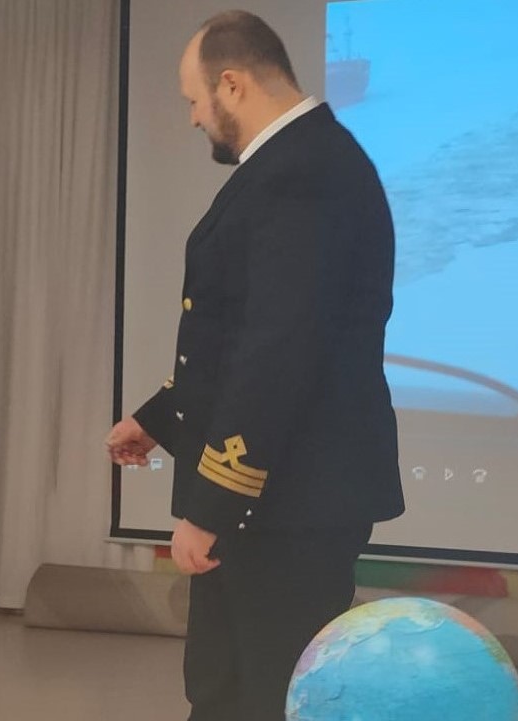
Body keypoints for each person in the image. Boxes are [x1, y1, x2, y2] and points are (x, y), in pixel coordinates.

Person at [106, 11, 404, 721]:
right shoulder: (301, 161)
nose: (192, 117)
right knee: (224, 688)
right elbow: (243, 331)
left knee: (260, 697)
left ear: (232, 85)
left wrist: (212, 507)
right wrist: (159, 416)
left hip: (284, 506)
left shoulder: (301, 174)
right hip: (282, 500)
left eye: (194, 99)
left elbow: (279, 350)